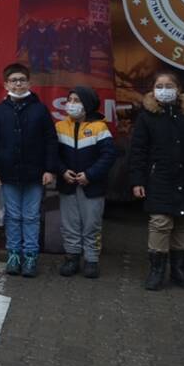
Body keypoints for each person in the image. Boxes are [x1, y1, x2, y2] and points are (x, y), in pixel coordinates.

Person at [128, 72, 184, 291]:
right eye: (159, 86)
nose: (164, 89)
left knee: (183, 223)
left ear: (178, 89)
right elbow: (138, 151)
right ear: (153, 90)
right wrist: (137, 180)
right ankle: (156, 271)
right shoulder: (147, 117)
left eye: (168, 85)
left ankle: (178, 271)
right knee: (160, 222)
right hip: (160, 178)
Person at [0, 63, 58, 278]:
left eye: (21, 80)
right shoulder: (0, 110)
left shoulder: (40, 109)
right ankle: (14, 255)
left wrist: (49, 169)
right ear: (6, 84)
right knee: (13, 216)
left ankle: (30, 256)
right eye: (13, 80)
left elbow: (50, 141)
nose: (18, 83)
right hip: (8, 174)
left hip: (34, 174)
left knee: (31, 216)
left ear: (29, 82)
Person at [55, 86, 117, 279]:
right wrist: (62, 171)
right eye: (70, 100)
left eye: (77, 100)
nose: (71, 104)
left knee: (92, 224)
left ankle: (91, 259)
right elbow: (53, 154)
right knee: (69, 224)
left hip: (92, 186)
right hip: (68, 185)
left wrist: (90, 175)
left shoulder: (99, 127)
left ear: (88, 104)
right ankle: (72, 257)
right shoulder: (59, 127)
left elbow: (109, 156)